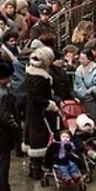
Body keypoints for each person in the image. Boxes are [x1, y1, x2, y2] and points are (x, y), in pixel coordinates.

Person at [23, 46, 59, 179]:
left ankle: (33, 169)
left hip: (31, 112)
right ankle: (38, 171)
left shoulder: (30, 73)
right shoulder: (41, 78)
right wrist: (50, 104)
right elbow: (37, 98)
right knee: (40, 140)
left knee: (32, 139)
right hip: (40, 114)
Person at [0, 61, 21, 191]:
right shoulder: (1, 94)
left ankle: (5, 190)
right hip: (0, 135)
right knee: (1, 166)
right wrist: (16, 129)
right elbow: (5, 118)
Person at [73, 48, 96, 126]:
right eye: (80, 58)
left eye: (83, 59)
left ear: (89, 59)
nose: (80, 61)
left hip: (93, 98)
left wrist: (92, 89)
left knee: (94, 116)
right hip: (81, 96)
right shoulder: (78, 70)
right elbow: (77, 85)